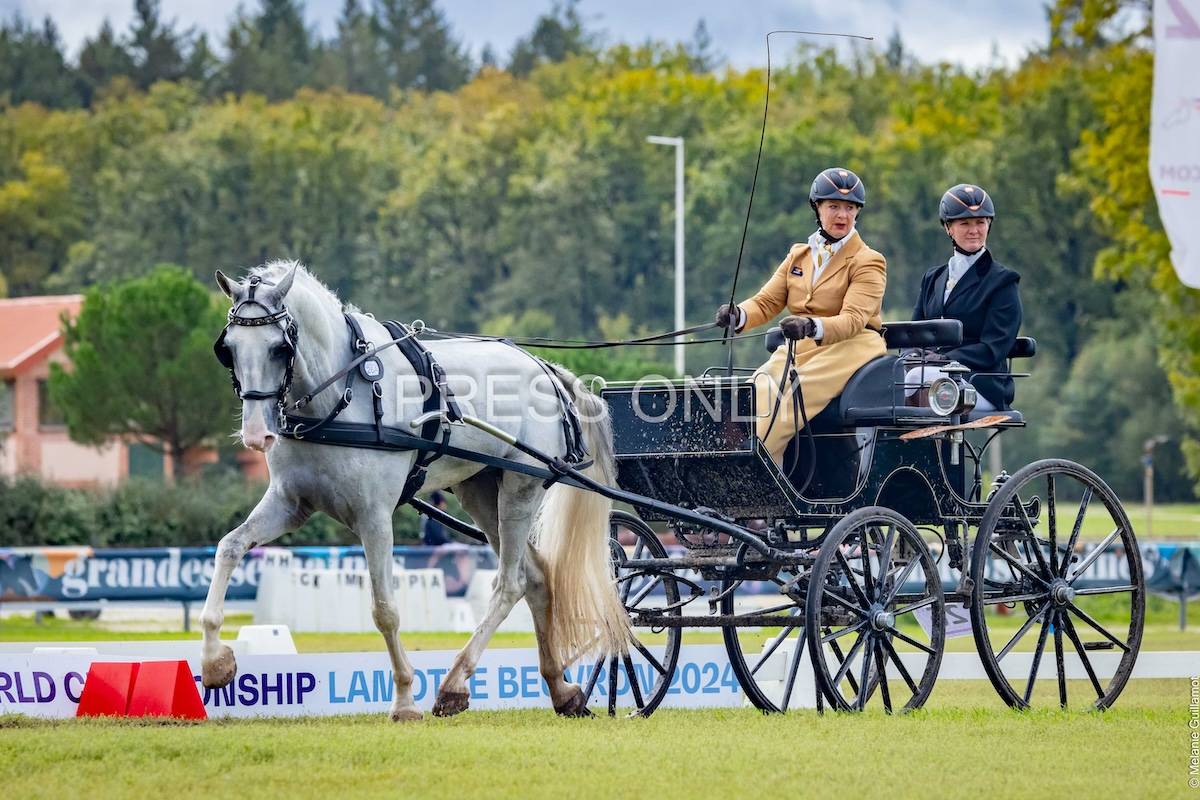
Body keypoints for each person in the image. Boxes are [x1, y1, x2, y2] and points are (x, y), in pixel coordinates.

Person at [717, 167, 888, 461]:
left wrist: (811, 325)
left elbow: (852, 320)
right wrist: (739, 315)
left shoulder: (868, 261)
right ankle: (736, 464)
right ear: (817, 208)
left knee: (786, 407)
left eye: (849, 208)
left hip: (852, 347)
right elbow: (767, 302)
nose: (842, 215)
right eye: (834, 206)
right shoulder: (800, 255)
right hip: (801, 347)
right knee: (752, 394)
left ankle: (756, 473)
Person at [907, 184, 1022, 412]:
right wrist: (912, 354)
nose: (974, 230)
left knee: (919, 377)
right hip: (934, 376)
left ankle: (930, 447)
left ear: (989, 225)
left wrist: (942, 360)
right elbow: (915, 333)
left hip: (982, 383)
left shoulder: (1002, 281)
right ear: (948, 228)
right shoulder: (933, 278)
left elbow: (993, 347)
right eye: (965, 223)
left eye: (980, 222)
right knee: (891, 376)